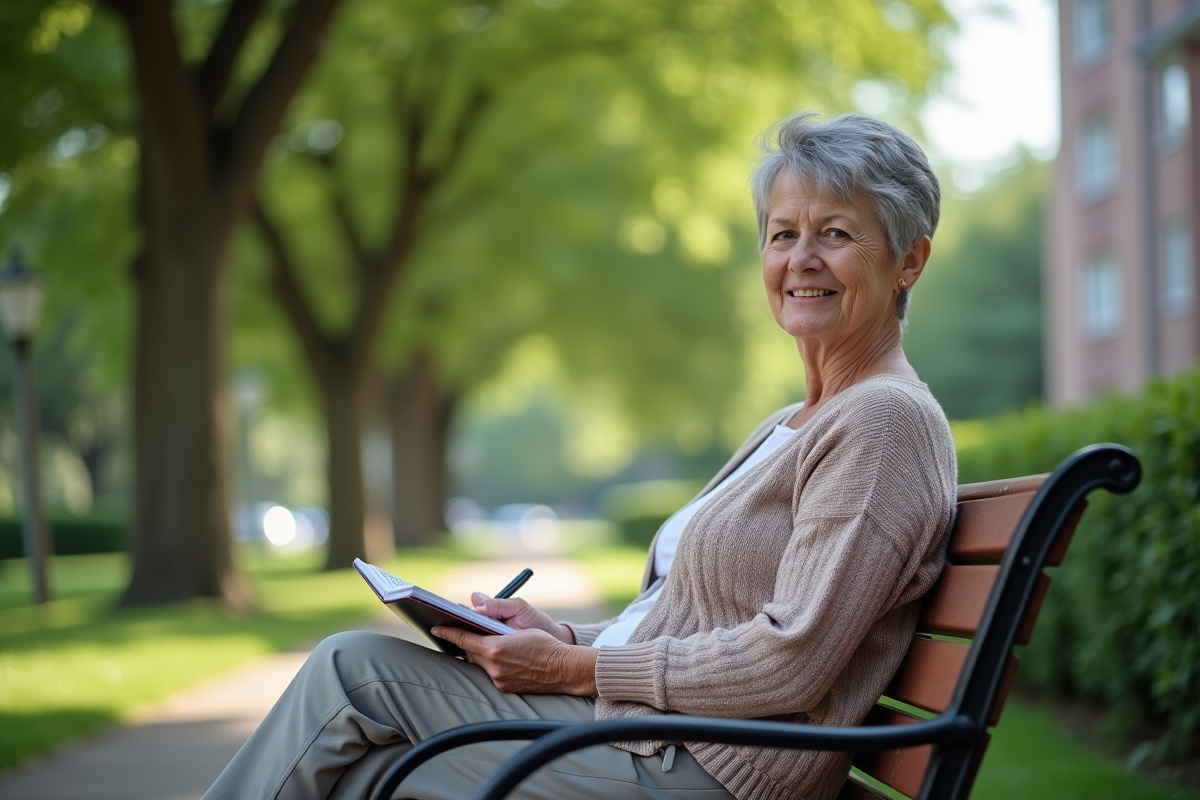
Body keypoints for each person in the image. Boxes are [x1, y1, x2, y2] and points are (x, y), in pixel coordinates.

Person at [203, 112, 956, 800]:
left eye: (835, 234)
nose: (801, 259)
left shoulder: (883, 421)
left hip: (707, 770)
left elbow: (791, 658)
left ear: (908, 262)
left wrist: (574, 668)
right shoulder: (793, 423)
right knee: (365, 768)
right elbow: (685, 621)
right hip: (654, 736)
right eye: (783, 234)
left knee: (348, 677)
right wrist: (560, 639)